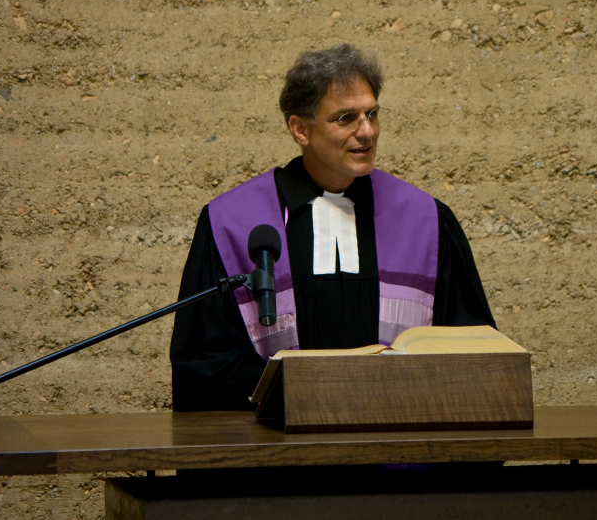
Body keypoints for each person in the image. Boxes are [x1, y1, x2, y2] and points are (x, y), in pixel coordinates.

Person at [170, 44, 495, 412]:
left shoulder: (427, 222)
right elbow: (205, 362)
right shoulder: (231, 223)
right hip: (277, 456)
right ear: (300, 129)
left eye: (372, 114)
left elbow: (474, 354)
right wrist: (304, 397)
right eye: (346, 118)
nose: (367, 131)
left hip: (396, 451)